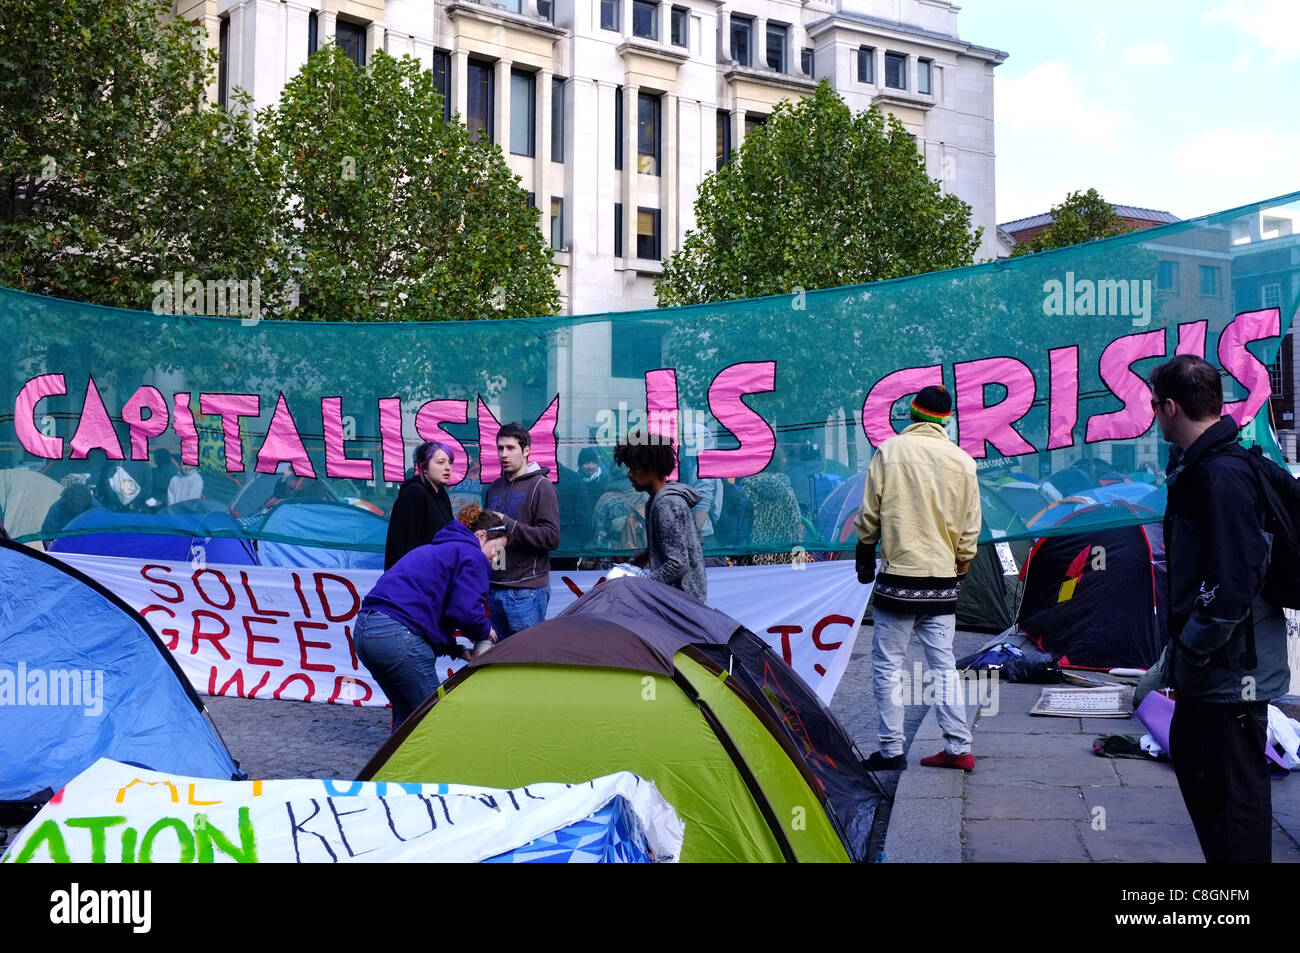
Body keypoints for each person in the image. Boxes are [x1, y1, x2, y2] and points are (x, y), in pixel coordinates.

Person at [1150, 354, 1289, 863]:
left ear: (1170, 407)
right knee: (1208, 780)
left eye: (1153, 405)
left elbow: (1230, 584)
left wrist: (1186, 657)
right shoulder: (1204, 468)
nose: (1153, 416)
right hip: (1222, 667)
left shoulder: (1221, 476)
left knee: (1236, 805)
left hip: (1232, 670)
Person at [854, 384, 980, 773]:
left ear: (912, 414)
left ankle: (891, 750)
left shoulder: (890, 452)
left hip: (898, 581)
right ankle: (959, 747)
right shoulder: (963, 462)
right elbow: (970, 527)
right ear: (946, 420)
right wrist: (960, 564)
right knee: (943, 665)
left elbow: (870, 515)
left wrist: (864, 553)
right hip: (942, 582)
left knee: (888, 666)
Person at [354, 504, 505, 729]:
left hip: (365, 632)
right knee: (435, 718)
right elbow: (465, 611)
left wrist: (457, 650)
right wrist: (486, 631)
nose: (496, 558)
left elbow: (429, 613)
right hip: (397, 634)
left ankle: (401, 764)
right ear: (481, 536)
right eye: (497, 549)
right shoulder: (472, 555)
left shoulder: (440, 549)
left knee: (409, 716)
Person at [482, 422, 560, 638]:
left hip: (526, 591)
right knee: (500, 663)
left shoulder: (541, 486)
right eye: (500, 448)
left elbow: (552, 538)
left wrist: (508, 524)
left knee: (526, 662)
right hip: (495, 586)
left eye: (510, 448)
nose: (503, 454)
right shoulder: (494, 488)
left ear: (526, 450)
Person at [613, 437, 707, 600]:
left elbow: (678, 563)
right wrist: (648, 554)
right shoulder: (659, 500)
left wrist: (643, 584)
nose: (629, 474)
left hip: (681, 604)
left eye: (634, 468)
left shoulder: (666, 504)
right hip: (682, 600)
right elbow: (691, 544)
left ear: (652, 468)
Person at [384, 441, 456, 570]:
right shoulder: (413, 494)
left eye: (450, 462)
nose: (447, 467)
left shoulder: (441, 494)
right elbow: (403, 546)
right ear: (423, 467)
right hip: (414, 579)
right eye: (440, 462)